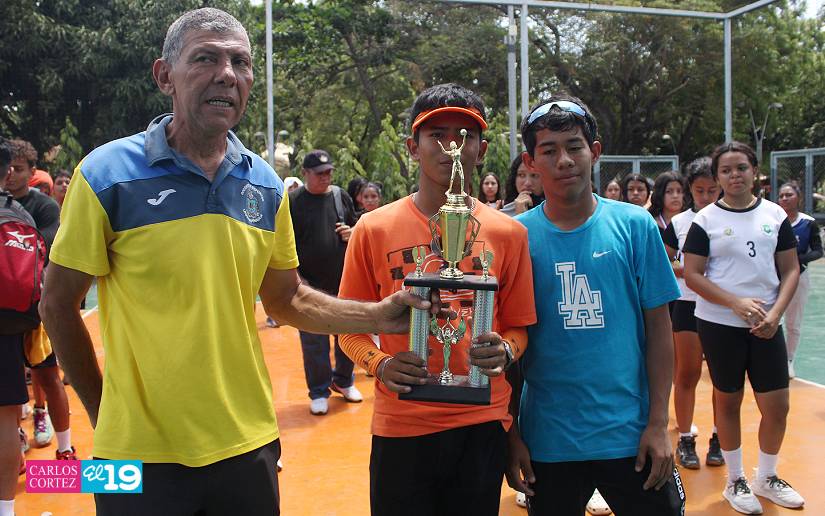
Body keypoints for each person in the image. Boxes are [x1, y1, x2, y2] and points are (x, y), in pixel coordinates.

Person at [39, 9, 437, 515]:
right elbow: (57, 306)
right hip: (134, 456)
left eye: (240, 62)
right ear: (165, 76)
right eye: (206, 58)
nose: (227, 74)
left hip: (248, 444)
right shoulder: (104, 174)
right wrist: (105, 413)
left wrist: (378, 315)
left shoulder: (266, 185)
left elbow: (287, 299)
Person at [338, 83, 536, 516]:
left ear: (481, 150)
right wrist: (381, 364)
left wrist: (504, 350)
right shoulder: (373, 229)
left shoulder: (509, 233)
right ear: (413, 147)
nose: (452, 147)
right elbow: (350, 330)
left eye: (464, 136)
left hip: (481, 423)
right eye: (437, 135)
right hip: (402, 425)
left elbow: (519, 327)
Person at [506, 94, 685, 516]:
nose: (564, 160)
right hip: (549, 440)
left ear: (595, 152)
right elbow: (510, 342)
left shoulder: (635, 226)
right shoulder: (514, 237)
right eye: (549, 151)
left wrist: (659, 423)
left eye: (574, 146)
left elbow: (660, 331)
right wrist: (511, 434)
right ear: (531, 163)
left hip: (631, 435)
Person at [683, 141, 804, 514]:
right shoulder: (706, 220)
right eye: (726, 170)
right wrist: (733, 302)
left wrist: (775, 314)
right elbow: (693, 274)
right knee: (728, 400)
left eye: (741, 168)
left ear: (755, 171)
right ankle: (735, 480)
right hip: (720, 324)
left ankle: (766, 476)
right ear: (718, 177)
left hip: (766, 325)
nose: (734, 175)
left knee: (777, 406)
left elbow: (790, 269)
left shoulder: (774, 215)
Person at [6, 139, 76, 460]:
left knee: (47, 375)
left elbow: (46, 247)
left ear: (32, 172)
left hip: (35, 305)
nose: (12, 174)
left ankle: (65, 449)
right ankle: (16, 437)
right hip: (5, 310)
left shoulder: (43, 207)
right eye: (9, 168)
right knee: (10, 385)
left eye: (19, 169)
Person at [662, 157, 723, 470]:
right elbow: (667, 260)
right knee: (687, 373)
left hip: (723, 307)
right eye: (700, 190)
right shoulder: (680, 223)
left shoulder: (730, 219)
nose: (706, 196)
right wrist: (688, 271)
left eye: (712, 190)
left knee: (723, 378)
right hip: (688, 304)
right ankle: (685, 438)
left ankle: (719, 437)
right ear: (690, 190)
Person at [291, 149, 362, 415]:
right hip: (308, 285)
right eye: (320, 173)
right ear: (305, 173)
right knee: (314, 342)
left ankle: (343, 380)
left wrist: (351, 232)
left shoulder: (339, 196)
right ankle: (319, 391)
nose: (325, 177)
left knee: (347, 335)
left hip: (342, 282)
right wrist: (296, 280)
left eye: (329, 172)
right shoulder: (293, 202)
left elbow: (356, 226)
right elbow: (285, 243)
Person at [0, 135, 34, 516]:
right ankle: (6, 508)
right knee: (7, 422)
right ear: (8, 172)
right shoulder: (21, 214)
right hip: (10, 327)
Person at [777, 181, 822, 378]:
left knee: (793, 323)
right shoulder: (773, 221)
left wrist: (797, 261)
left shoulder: (808, 223)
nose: (784, 198)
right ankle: (771, 358)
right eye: (781, 195)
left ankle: (788, 360)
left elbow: (818, 250)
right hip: (772, 277)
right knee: (770, 318)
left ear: (799, 198)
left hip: (798, 277)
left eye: (789, 195)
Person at [648, 171, 684, 236]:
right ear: (660, 194)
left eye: (679, 191)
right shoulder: (650, 222)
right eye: (669, 191)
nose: (675, 196)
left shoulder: (693, 220)